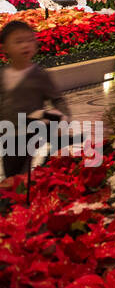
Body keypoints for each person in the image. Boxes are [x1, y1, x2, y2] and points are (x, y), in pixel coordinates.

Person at [0, 20, 71, 179]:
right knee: (11, 170)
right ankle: (13, 199)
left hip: (31, 133)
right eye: (18, 42)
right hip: (8, 134)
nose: (25, 45)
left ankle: (25, 197)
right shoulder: (3, 75)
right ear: (4, 48)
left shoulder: (39, 75)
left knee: (26, 174)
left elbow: (57, 99)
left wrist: (63, 119)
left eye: (30, 40)